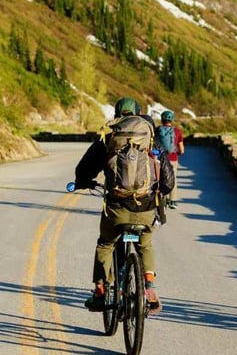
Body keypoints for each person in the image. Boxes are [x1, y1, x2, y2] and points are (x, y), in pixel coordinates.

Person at [74, 96, 174, 313]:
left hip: (117, 208)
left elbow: (84, 167)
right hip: (145, 208)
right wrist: (160, 192)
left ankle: (100, 292)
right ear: (138, 113)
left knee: (106, 244)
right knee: (145, 244)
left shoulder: (110, 135)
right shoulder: (150, 136)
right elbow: (168, 181)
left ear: (117, 114)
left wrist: (83, 181)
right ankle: (149, 285)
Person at [156, 110, 184, 209]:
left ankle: (161, 197)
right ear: (172, 120)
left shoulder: (157, 130)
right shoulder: (177, 132)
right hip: (172, 158)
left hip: (159, 158)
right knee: (173, 178)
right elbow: (181, 149)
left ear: (162, 119)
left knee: (159, 178)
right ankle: (173, 200)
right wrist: (178, 153)